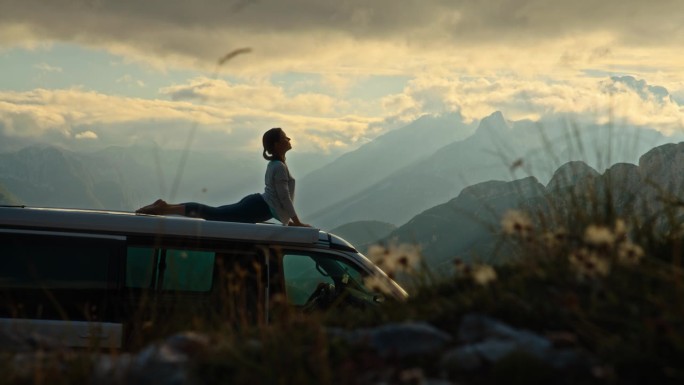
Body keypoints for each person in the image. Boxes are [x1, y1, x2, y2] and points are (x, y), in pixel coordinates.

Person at [135, 128, 311, 227]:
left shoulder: (276, 164)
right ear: (277, 144)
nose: (289, 138)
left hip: (257, 205)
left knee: (214, 213)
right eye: (284, 137)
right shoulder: (279, 166)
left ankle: (167, 208)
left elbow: (282, 196)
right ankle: (165, 208)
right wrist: (297, 222)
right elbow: (284, 197)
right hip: (257, 208)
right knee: (213, 214)